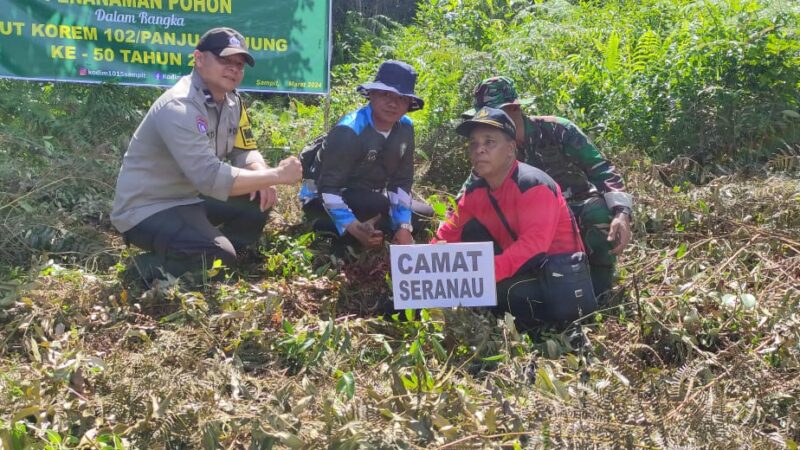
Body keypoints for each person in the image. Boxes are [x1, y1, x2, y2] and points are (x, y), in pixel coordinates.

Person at [111, 27, 302, 282]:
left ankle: (218, 257)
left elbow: (244, 149)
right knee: (218, 257)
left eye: (239, 64)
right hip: (149, 207)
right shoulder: (179, 106)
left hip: (189, 197)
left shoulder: (232, 102)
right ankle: (141, 270)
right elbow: (209, 177)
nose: (234, 69)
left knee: (258, 198)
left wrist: (259, 170)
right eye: (225, 60)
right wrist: (276, 175)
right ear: (199, 59)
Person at [464, 76, 633, 300]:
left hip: (576, 208)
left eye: (496, 114)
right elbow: (468, 192)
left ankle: (600, 288)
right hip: (528, 221)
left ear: (514, 108)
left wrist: (622, 213)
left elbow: (600, 168)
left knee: (599, 214)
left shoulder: (557, 130)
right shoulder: (492, 146)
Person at [435, 107, 597, 328]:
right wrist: (425, 272)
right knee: (470, 233)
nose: (479, 150)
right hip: (522, 269)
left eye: (489, 142)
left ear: (511, 149)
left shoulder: (532, 185)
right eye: (474, 144)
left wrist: (481, 277)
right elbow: (447, 234)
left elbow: (533, 248)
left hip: (557, 278)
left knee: (489, 295)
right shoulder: (475, 191)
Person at [300, 60, 432, 250]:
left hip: (371, 195)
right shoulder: (350, 130)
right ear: (372, 94)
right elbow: (328, 189)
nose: (393, 103)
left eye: (401, 98)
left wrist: (403, 227)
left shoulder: (405, 128)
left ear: (409, 103)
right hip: (325, 199)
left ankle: (374, 228)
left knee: (423, 214)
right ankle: (341, 231)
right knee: (375, 204)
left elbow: (401, 181)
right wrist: (354, 227)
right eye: (386, 94)